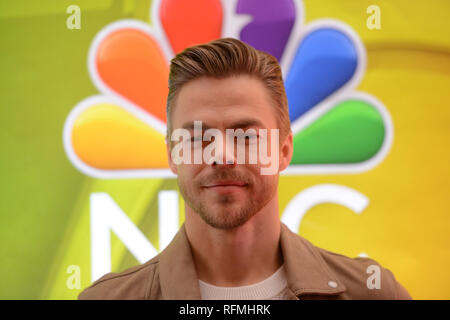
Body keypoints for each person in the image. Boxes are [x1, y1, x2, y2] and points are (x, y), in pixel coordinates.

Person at [78, 38, 412, 300]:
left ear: (283, 150)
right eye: (197, 137)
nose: (221, 155)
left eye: (246, 135)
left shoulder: (370, 293)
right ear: (173, 155)